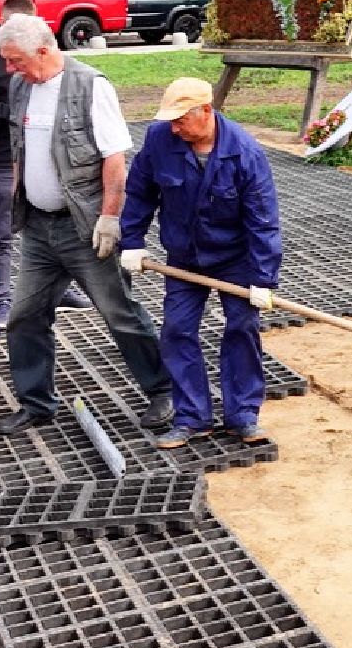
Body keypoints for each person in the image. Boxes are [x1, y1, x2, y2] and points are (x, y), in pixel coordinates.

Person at [0, 13, 173, 435]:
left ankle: (164, 390)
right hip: (39, 228)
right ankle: (37, 403)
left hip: (84, 227)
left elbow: (114, 159)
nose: (10, 69)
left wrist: (109, 218)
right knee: (24, 316)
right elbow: (20, 150)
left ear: (43, 50)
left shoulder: (90, 86)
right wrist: (16, 202)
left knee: (119, 313)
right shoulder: (22, 86)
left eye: (16, 60)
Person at [120, 77, 282, 448]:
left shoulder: (245, 153)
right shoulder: (160, 140)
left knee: (242, 328)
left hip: (235, 258)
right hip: (184, 258)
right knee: (177, 330)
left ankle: (243, 417)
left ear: (206, 111)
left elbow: (263, 220)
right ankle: (192, 418)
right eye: (171, 121)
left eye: (181, 120)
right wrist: (132, 242)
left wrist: (263, 279)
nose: (174, 129)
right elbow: (141, 191)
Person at [0, 0, 89, 324]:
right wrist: (13, 111)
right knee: (4, 231)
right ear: (3, 24)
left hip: (47, 159)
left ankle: (57, 290)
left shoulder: (45, 59)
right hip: (6, 160)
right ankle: (1, 297)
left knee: (52, 226)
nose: (13, 67)